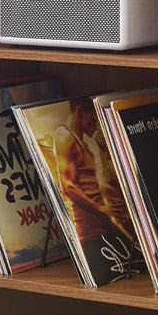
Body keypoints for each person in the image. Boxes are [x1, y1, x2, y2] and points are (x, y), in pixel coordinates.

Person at [40, 99, 135, 243]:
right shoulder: (64, 135)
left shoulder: (84, 144)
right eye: (93, 120)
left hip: (103, 224)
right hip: (91, 229)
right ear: (79, 112)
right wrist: (102, 209)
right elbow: (67, 186)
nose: (96, 126)